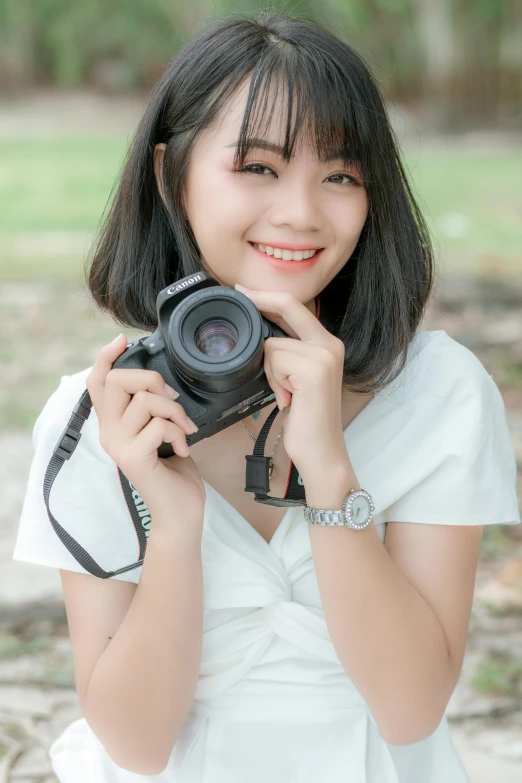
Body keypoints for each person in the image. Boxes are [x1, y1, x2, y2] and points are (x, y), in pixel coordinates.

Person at [12, 12, 521, 783]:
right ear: (168, 172)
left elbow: (412, 707)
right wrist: (175, 526)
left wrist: (329, 473)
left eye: (341, 176)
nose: (302, 213)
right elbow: (138, 745)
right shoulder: (107, 412)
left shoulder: (438, 393)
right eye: (257, 167)